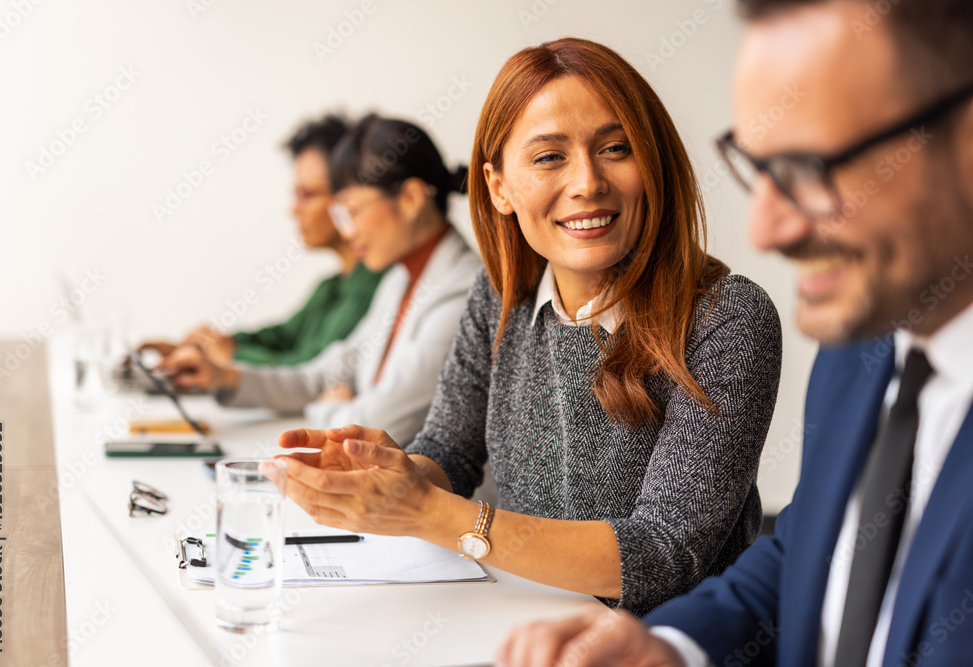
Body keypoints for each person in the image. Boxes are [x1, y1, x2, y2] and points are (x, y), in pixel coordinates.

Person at [495, 1, 973, 666]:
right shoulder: (862, 350)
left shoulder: (733, 318)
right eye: (763, 166)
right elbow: (806, 551)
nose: (768, 230)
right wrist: (671, 645)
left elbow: (663, 548)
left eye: (814, 164)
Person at [271, 38, 782, 615]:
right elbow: (449, 452)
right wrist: (396, 475)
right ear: (499, 187)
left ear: (653, 163)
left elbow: (662, 556)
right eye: (549, 157)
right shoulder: (502, 296)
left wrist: (431, 512)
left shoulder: (728, 318)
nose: (588, 182)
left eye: (616, 148)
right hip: (520, 624)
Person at [159, 114, 481, 444]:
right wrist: (225, 377)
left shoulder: (465, 294)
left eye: (352, 211)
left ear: (411, 198)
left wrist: (330, 409)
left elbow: (377, 428)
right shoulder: (399, 281)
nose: (347, 230)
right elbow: (324, 375)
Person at [142, 114, 385, 366]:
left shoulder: (373, 288)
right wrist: (207, 348)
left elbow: (309, 373)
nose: (293, 209)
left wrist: (231, 354)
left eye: (308, 194)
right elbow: (282, 338)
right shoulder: (330, 288)